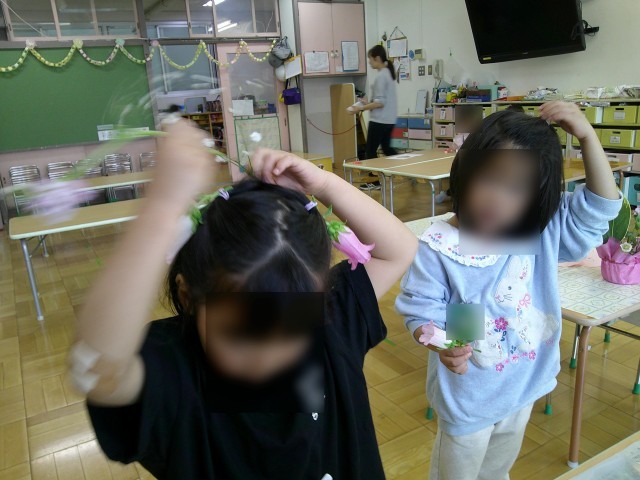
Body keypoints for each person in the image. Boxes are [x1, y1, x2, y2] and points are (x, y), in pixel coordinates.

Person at [70, 121, 418, 479]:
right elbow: (97, 369)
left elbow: (399, 249)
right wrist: (162, 209)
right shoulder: (176, 373)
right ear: (188, 297)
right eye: (240, 335)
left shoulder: (328, 324)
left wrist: (324, 183)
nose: (269, 356)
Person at [395, 102, 621, 480]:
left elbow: (602, 207)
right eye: (488, 178)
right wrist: (443, 342)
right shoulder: (441, 245)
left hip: (520, 389)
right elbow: (423, 310)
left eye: (516, 188)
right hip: (468, 399)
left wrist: (586, 136)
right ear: (465, 171)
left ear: (537, 197)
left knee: (497, 474)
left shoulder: (538, 230)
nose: (497, 198)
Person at [350, 45, 398, 191]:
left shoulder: (381, 76)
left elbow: (379, 103)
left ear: (377, 58)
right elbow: (381, 100)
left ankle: (376, 181)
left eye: (370, 59)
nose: (369, 62)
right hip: (389, 120)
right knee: (387, 149)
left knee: (370, 152)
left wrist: (360, 108)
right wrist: (367, 102)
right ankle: (408, 171)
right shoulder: (388, 73)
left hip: (379, 120)